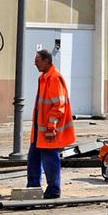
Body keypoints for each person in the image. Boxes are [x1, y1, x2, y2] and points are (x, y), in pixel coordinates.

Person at [27, 47, 75, 199]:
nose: (35, 64)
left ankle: (54, 190)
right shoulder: (44, 77)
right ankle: (33, 188)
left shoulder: (54, 78)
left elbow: (58, 105)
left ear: (46, 61)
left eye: (37, 61)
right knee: (33, 159)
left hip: (48, 131)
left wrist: (51, 126)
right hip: (39, 132)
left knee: (50, 160)